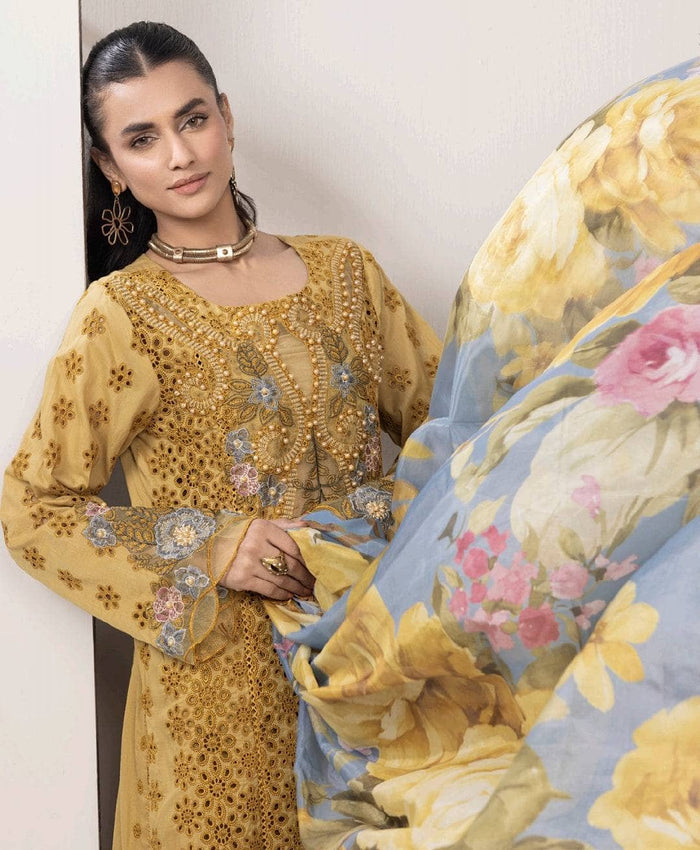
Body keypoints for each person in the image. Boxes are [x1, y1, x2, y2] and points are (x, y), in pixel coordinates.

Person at [0, 21, 440, 850]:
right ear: (111, 167)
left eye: (192, 119)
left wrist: (369, 522)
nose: (179, 154)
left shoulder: (347, 274)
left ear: (227, 118)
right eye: (142, 139)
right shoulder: (122, 315)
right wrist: (214, 547)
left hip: (371, 670)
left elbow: (457, 439)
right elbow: (34, 508)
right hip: (214, 711)